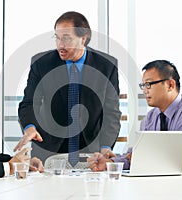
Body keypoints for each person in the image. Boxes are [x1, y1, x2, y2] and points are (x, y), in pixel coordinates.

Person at [88, 60, 182, 199]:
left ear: (170, 85)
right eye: (143, 85)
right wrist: (109, 163)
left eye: (149, 84)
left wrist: (138, 157)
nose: (145, 90)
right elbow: (134, 156)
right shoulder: (151, 117)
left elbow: (177, 165)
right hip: (171, 191)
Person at [15, 11, 121, 164]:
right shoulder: (41, 63)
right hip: (48, 148)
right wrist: (30, 127)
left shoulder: (106, 66)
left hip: (92, 151)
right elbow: (29, 103)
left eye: (66, 39)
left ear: (83, 38)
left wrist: (105, 146)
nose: (60, 45)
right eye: (57, 38)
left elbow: (111, 112)